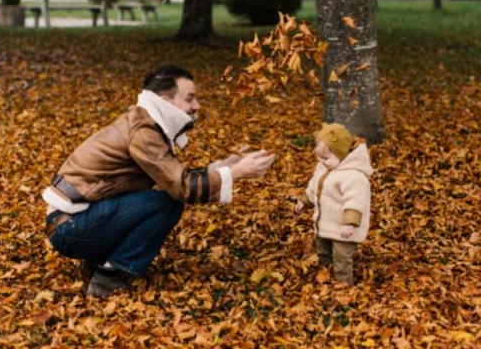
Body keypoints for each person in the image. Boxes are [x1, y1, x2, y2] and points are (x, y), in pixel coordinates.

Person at [42, 65, 275, 298]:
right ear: (165, 101)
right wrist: (236, 173)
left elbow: (172, 177)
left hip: (73, 223)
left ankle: (99, 262)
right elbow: (181, 188)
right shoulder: (144, 131)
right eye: (190, 98)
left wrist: (229, 166)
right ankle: (109, 276)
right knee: (168, 202)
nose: (196, 106)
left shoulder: (145, 123)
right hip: (69, 229)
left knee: (163, 198)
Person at [295, 123, 372, 286]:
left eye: (325, 158)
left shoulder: (354, 176)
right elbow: (314, 187)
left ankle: (343, 283)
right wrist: (305, 201)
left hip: (344, 229)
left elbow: (355, 201)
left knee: (341, 255)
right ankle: (326, 272)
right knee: (323, 249)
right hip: (325, 223)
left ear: (342, 154)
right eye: (319, 157)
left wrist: (350, 223)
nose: (321, 162)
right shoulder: (324, 168)